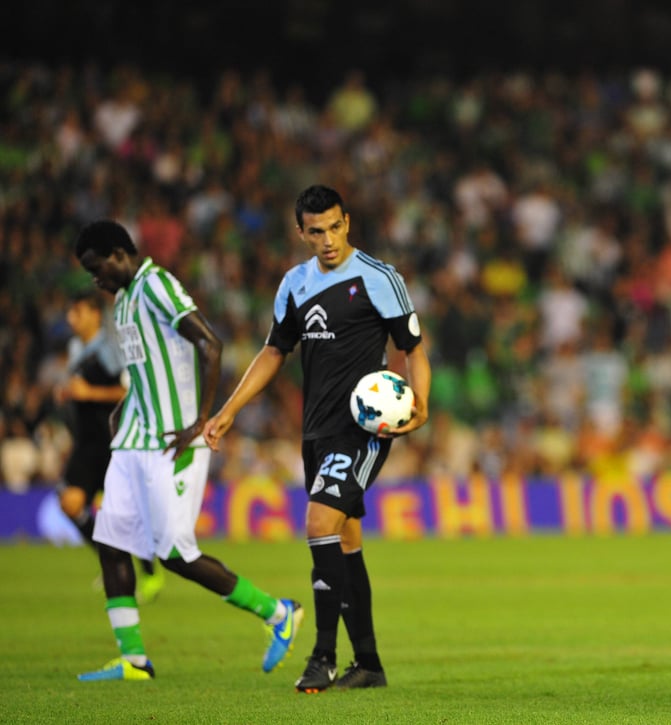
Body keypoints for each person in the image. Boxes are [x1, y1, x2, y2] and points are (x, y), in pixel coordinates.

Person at [204, 184, 431, 693]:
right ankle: (368, 664)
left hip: (363, 427)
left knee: (318, 522)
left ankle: (322, 655)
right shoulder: (294, 285)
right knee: (345, 539)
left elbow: (412, 347)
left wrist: (421, 403)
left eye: (334, 227)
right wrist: (228, 410)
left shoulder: (379, 277)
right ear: (301, 233)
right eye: (316, 231)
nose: (328, 239)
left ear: (347, 221)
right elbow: (272, 352)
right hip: (317, 429)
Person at [73, 220, 302, 682]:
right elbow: (143, 372)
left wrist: (201, 420)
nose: (95, 280)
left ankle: (278, 612)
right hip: (132, 441)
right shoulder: (121, 302)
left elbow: (209, 344)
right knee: (111, 544)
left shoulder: (157, 285)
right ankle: (134, 660)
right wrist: (123, 408)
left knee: (176, 555)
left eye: (97, 269)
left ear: (119, 253)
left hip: (172, 442)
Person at [55, 290, 165, 604]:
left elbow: (127, 390)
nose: (71, 319)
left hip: (113, 439)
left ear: (93, 313)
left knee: (125, 513)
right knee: (71, 503)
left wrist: (89, 393)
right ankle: (113, 561)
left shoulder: (111, 348)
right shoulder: (76, 347)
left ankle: (149, 572)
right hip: (86, 441)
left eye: (76, 312)